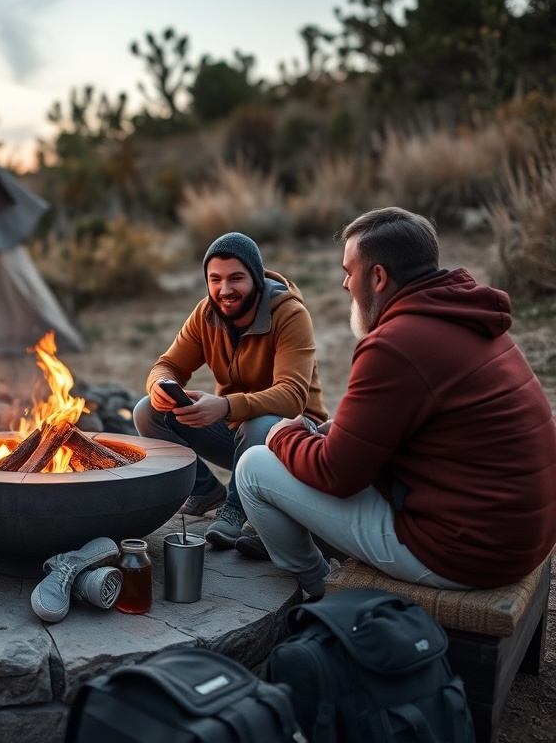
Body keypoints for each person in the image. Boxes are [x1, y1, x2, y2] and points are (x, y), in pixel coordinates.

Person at [236, 207, 556, 598]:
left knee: (254, 466)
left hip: (464, 552)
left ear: (378, 276)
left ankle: (316, 588)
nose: (343, 283)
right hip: (520, 532)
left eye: (349, 271)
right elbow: (407, 420)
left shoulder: (394, 345)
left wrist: (282, 437)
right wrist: (329, 434)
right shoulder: (463, 317)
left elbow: (337, 475)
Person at [133, 231, 327, 552]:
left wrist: (223, 406)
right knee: (147, 410)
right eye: (215, 279)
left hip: (294, 440)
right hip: (237, 436)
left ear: (256, 277)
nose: (225, 290)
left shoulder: (289, 314)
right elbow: (167, 365)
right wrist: (159, 387)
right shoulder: (206, 314)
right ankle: (204, 489)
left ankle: (236, 509)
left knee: (261, 422)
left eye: (236, 278)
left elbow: (292, 397)